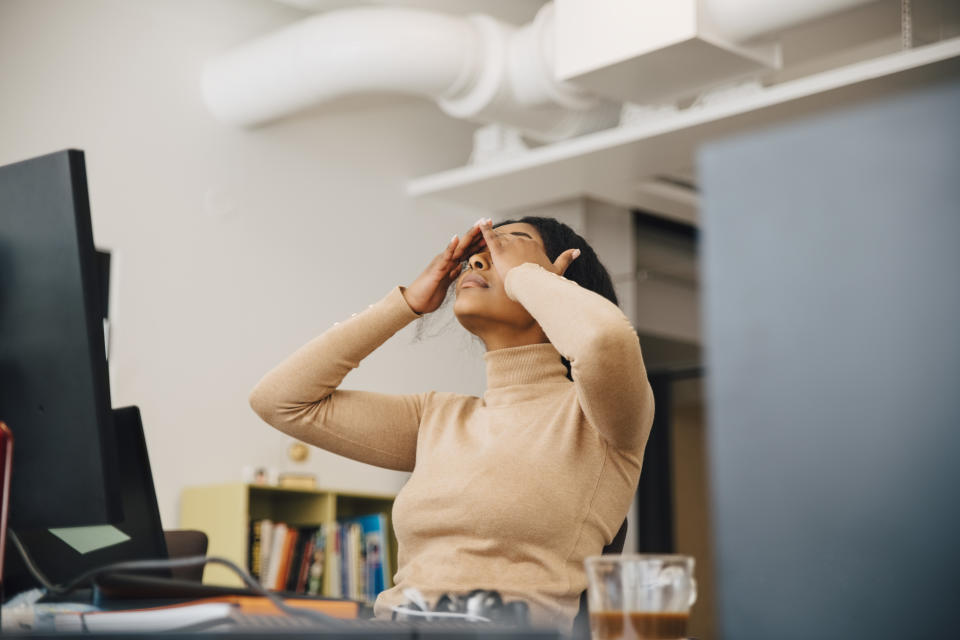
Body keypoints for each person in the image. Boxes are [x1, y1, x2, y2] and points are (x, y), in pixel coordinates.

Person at [249, 216, 654, 629]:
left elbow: (604, 340)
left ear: (558, 279)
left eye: (506, 248)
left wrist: (527, 278)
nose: (477, 261)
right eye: (476, 254)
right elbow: (280, 401)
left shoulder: (600, 418)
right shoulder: (436, 417)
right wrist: (405, 304)